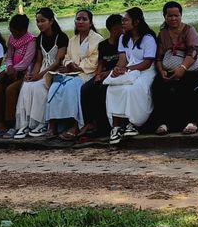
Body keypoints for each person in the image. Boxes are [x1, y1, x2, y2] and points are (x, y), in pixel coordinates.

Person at [105, 7, 159, 144]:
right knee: (113, 88)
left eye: (126, 20)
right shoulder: (123, 38)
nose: (123, 23)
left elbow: (147, 63)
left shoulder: (148, 38)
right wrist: (118, 69)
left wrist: (127, 69)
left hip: (145, 72)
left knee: (133, 89)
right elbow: (122, 58)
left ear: (136, 22)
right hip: (129, 70)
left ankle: (133, 123)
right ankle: (116, 127)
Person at [48, 9, 103, 141]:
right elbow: (66, 57)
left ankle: (76, 125)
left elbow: (95, 60)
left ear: (90, 23)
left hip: (87, 73)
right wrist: (69, 65)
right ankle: (53, 125)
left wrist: (78, 67)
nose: (81, 21)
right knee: (56, 86)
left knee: (72, 86)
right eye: (78, 19)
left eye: (84, 19)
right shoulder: (72, 40)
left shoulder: (97, 39)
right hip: (71, 72)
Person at [13, 8, 67, 139]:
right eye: (37, 21)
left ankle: (42, 123)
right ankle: (25, 124)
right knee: (27, 86)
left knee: (39, 86)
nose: (40, 24)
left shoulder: (61, 37)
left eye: (43, 21)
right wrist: (32, 75)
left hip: (55, 71)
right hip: (42, 68)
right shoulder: (39, 38)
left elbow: (57, 61)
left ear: (51, 21)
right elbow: (38, 60)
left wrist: (41, 75)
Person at [152, 1, 198, 136]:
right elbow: (158, 57)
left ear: (181, 15)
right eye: (170, 16)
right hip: (168, 69)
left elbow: (193, 52)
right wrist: (161, 70)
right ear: (164, 16)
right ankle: (164, 123)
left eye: (176, 15)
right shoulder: (162, 34)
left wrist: (182, 68)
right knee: (158, 87)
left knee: (185, 86)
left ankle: (191, 122)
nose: (173, 19)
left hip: (191, 69)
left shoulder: (189, 30)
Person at [76, 14, 124, 143]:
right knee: (86, 88)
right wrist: (97, 75)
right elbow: (100, 63)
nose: (123, 30)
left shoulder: (124, 44)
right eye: (121, 27)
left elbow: (123, 63)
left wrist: (106, 73)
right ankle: (90, 122)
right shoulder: (103, 45)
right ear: (114, 29)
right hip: (103, 74)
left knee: (102, 90)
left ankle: (105, 126)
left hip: (116, 74)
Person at [0, 14, 36, 138]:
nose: (13, 34)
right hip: (11, 72)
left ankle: (11, 125)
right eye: (11, 31)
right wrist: (9, 68)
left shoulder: (31, 40)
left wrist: (13, 69)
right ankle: (0, 125)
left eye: (15, 32)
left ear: (23, 30)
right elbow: (9, 56)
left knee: (10, 90)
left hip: (25, 73)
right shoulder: (11, 39)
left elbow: (27, 61)